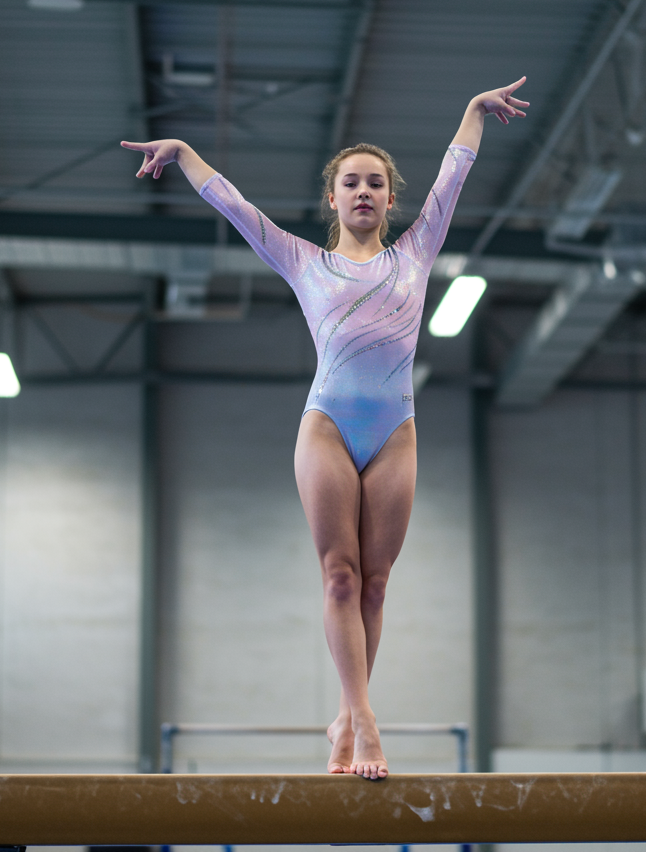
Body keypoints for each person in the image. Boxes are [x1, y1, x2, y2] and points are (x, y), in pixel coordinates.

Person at [122, 77, 528, 780]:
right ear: (333, 199)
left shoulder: (417, 253)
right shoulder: (303, 260)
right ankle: (363, 720)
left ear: (391, 200)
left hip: (395, 429)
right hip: (328, 427)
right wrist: (184, 151)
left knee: (375, 584)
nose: (364, 191)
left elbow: (453, 177)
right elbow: (237, 208)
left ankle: (346, 711)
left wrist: (471, 113)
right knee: (339, 578)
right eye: (351, 183)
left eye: (375, 183)